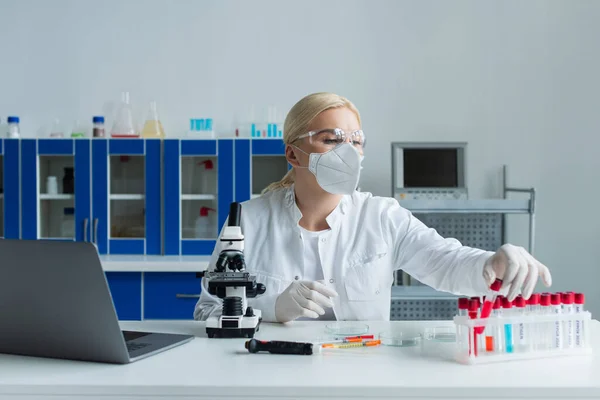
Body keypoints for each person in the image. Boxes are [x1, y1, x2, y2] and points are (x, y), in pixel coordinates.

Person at [194, 92, 551, 323]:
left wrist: (492, 263)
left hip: (362, 374)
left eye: (356, 141)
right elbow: (206, 310)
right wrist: (271, 308)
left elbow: (445, 262)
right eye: (331, 139)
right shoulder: (248, 220)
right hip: (269, 375)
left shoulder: (383, 217)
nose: (346, 151)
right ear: (292, 153)